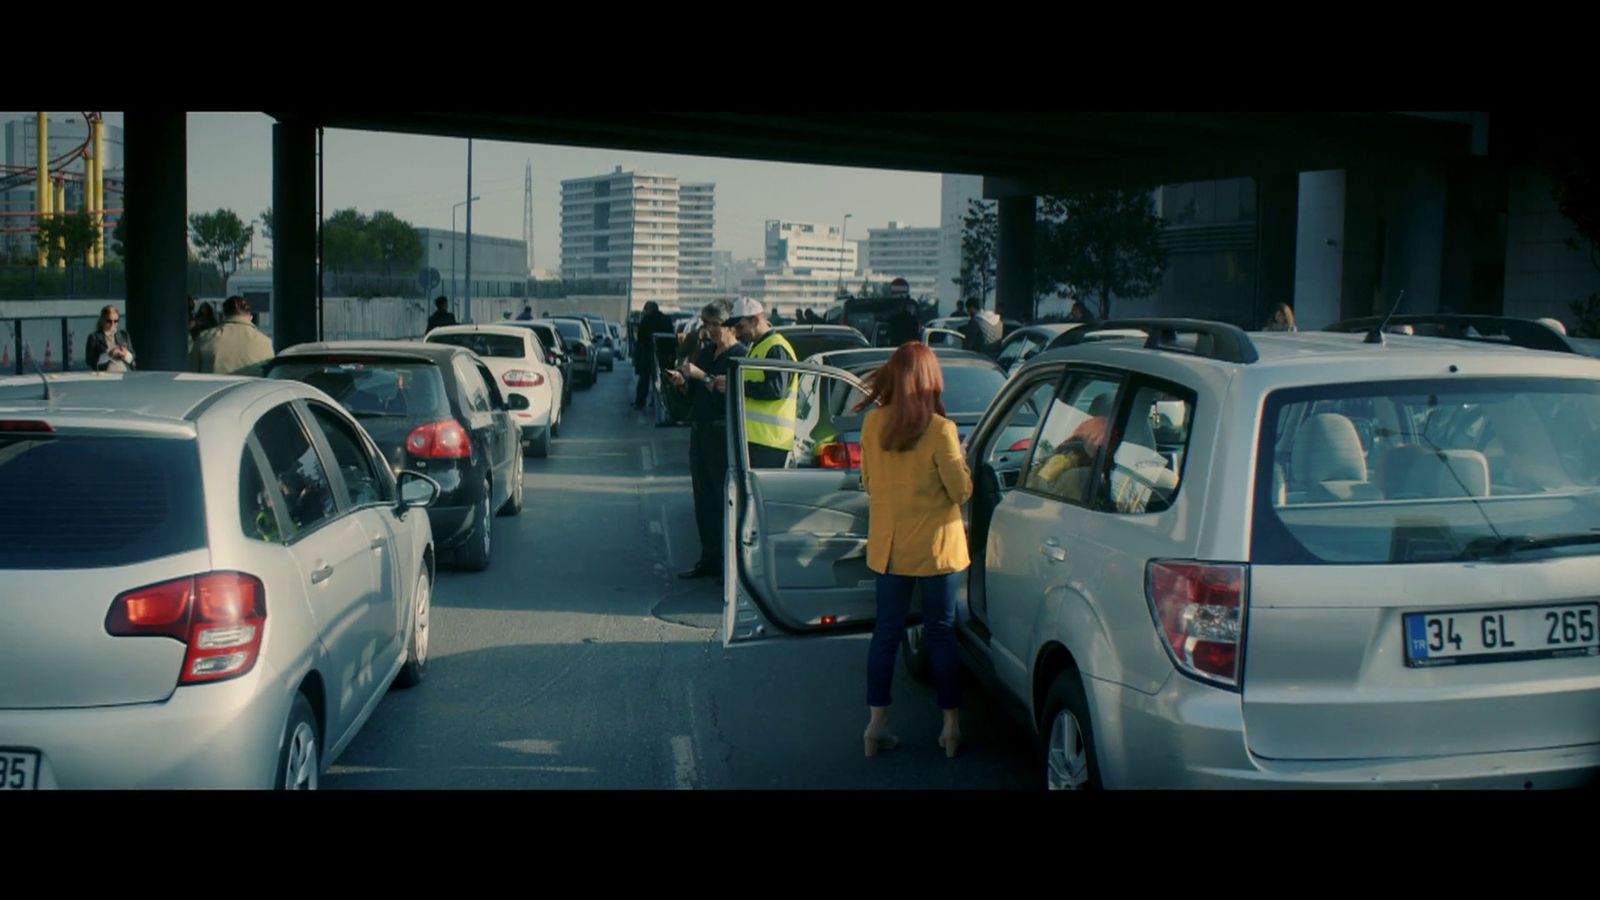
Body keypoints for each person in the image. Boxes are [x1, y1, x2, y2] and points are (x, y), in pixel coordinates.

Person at [854, 342, 971, 758]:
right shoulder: (942, 430)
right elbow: (961, 491)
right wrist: (965, 462)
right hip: (937, 551)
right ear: (929, 381)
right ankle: (951, 729)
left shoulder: (872, 425)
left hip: (889, 550)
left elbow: (868, 483)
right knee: (941, 633)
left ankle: (876, 726)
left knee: (885, 633)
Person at [665, 300, 748, 580]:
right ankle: (709, 558)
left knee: (723, 498)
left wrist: (702, 376)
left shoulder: (739, 355)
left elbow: (728, 388)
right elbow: (694, 388)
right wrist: (682, 382)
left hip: (721, 432)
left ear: (731, 326)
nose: (710, 330)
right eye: (706, 324)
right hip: (700, 430)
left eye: (715, 324)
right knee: (703, 500)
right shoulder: (706, 352)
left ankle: (730, 565)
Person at [723, 297, 798, 468]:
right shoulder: (758, 347)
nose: (738, 333)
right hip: (756, 440)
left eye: (740, 327)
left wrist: (738, 386)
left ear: (756, 320)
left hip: (770, 442)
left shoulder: (776, 347)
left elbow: (776, 389)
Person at [191, 295, 275, 374]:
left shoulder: (205, 338)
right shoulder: (265, 342)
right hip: (254, 389)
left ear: (224, 315)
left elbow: (191, 374)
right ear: (250, 317)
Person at [633, 301, 675, 410]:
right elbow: (672, 338)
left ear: (649, 309)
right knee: (663, 380)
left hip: (648, 354)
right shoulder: (666, 319)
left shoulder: (646, 320)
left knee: (645, 379)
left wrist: (638, 357)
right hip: (664, 355)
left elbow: (641, 339)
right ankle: (664, 402)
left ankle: (640, 402)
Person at [87, 305, 135, 372]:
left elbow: (132, 358)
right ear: (102, 320)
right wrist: (109, 355)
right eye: (109, 321)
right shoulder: (94, 337)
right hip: (106, 377)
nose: (113, 324)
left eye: (116, 321)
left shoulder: (124, 335)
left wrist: (125, 354)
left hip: (125, 375)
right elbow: (90, 361)